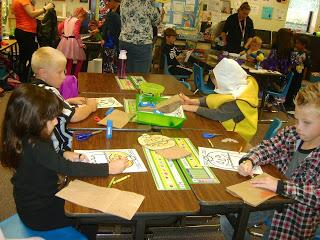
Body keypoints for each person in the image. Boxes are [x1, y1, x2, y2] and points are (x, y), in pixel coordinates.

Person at [0, 84, 129, 239]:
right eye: (51, 118)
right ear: (33, 120)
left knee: (85, 200)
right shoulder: (37, 145)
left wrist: (63, 153)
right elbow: (69, 168)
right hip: (40, 215)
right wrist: (109, 168)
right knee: (88, 214)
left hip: (30, 205)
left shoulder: (25, 136)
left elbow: (45, 159)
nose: (55, 122)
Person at [220, 82, 320, 240]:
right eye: (296, 119)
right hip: (270, 198)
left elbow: (316, 194)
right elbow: (269, 147)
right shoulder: (292, 133)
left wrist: (280, 186)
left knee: (273, 235)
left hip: (295, 215)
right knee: (229, 220)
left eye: (306, 122)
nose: (298, 127)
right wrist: (249, 160)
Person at [31, 46, 97, 153]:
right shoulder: (49, 93)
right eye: (60, 72)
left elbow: (52, 108)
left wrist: (68, 101)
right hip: (62, 146)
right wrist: (91, 106)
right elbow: (74, 116)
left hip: (46, 146)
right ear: (43, 73)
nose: (63, 77)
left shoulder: (35, 89)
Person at [179, 58, 258, 142]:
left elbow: (218, 114)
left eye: (217, 84)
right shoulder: (235, 84)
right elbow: (214, 99)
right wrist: (191, 101)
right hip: (223, 126)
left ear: (226, 81)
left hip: (236, 136)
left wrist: (192, 108)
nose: (216, 87)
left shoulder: (238, 99)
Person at [12, 0, 54, 82]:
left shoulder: (16, 1)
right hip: (26, 32)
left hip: (23, 31)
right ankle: (26, 80)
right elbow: (32, 14)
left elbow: (26, 13)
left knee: (24, 57)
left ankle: (23, 80)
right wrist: (46, 8)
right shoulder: (23, 0)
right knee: (32, 58)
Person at [119, 0, 161, 73]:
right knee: (140, 76)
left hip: (124, 41)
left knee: (125, 73)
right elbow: (156, 21)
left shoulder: (124, 1)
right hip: (141, 42)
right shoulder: (147, 2)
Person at [260, 28, 295, 93]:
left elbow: (270, 65)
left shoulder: (276, 49)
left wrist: (260, 62)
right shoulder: (291, 50)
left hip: (276, 81)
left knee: (256, 76)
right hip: (282, 80)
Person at [57, 7, 87, 78]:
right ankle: (76, 76)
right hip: (73, 41)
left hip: (65, 40)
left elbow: (59, 28)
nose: (82, 20)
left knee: (68, 60)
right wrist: (81, 44)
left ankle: (67, 77)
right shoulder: (77, 21)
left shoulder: (67, 19)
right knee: (80, 59)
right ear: (81, 15)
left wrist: (61, 36)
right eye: (83, 18)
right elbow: (76, 32)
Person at [284, 35, 311, 111]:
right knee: (289, 88)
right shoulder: (296, 52)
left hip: (299, 75)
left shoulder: (306, 54)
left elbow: (307, 65)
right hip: (293, 73)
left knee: (294, 89)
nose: (296, 45)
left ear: (303, 45)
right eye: (296, 43)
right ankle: (286, 102)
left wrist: (303, 78)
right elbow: (292, 62)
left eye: (298, 43)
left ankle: (290, 104)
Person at [101, 0, 121, 73]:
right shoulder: (110, 11)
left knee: (113, 64)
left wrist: (104, 37)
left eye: (108, 1)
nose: (107, 3)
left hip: (115, 41)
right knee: (108, 63)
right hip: (109, 41)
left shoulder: (120, 11)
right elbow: (106, 26)